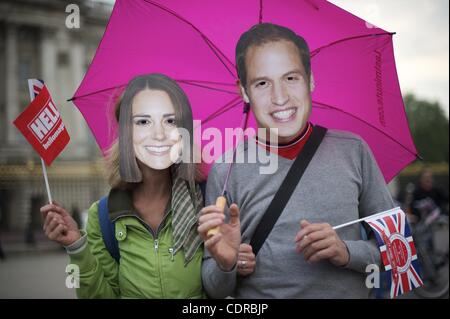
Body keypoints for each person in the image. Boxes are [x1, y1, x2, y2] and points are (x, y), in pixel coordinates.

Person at [197, 23, 395, 298]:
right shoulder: (226, 170)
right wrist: (226, 264)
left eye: (291, 78)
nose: (280, 98)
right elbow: (214, 290)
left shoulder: (354, 151)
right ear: (243, 91)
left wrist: (347, 251)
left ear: (310, 79)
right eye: (262, 83)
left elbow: (400, 253)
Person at [41, 74, 206, 298]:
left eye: (170, 121)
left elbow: (220, 286)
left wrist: (232, 264)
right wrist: (77, 247)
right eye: (143, 122)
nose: (158, 134)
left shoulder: (206, 202)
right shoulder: (103, 217)